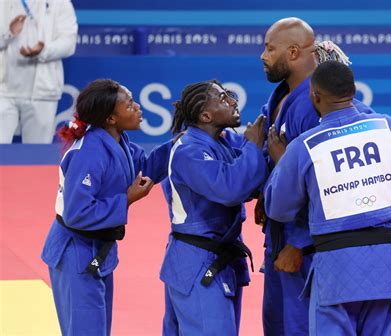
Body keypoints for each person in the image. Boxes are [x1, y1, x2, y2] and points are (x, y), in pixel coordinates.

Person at [264, 61, 391, 335]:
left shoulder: (304, 146)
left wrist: (282, 165)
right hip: (386, 268)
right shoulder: (388, 127)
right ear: (353, 91)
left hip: (336, 271)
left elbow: (278, 209)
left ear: (314, 95)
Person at [257, 17, 376, 336]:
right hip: (279, 234)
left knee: (300, 327)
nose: (262, 56)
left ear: (293, 52)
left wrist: (298, 244)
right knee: (278, 325)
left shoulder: (314, 108)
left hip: (306, 245)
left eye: (269, 49)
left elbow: (329, 184)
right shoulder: (283, 96)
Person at [41, 79, 174, 335]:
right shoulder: (89, 153)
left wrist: (183, 140)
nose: (137, 107)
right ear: (111, 118)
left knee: (98, 330)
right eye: (129, 104)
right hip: (75, 251)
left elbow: (145, 167)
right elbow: (77, 214)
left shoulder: (118, 141)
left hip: (97, 250)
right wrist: (126, 199)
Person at [160, 80, 267, 335]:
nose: (232, 101)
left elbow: (250, 177)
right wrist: (253, 146)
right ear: (205, 115)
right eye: (223, 98)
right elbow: (230, 189)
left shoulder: (224, 141)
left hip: (217, 260)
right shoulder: (189, 150)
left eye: (230, 94)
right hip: (197, 262)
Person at [0, 0, 77, 143]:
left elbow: (69, 43)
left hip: (43, 92)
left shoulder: (60, 3)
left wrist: (45, 50)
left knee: (36, 155)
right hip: (3, 92)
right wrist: (8, 33)